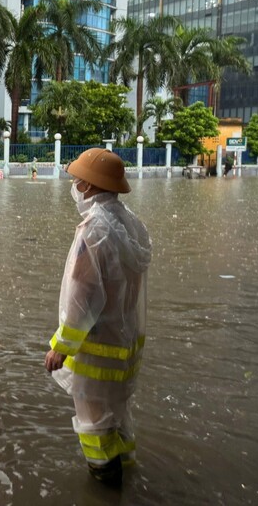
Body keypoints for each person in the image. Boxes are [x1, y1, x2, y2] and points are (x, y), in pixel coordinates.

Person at [44, 148, 152, 487]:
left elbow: (82, 295)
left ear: (90, 187)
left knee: (94, 427)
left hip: (97, 351)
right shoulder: (131, 225)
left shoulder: (94, 230)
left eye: (79, 180)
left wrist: (61, 346)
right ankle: (129, 476)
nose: (75, 185)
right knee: (117, 419)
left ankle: (106, 485)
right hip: (125, 346)